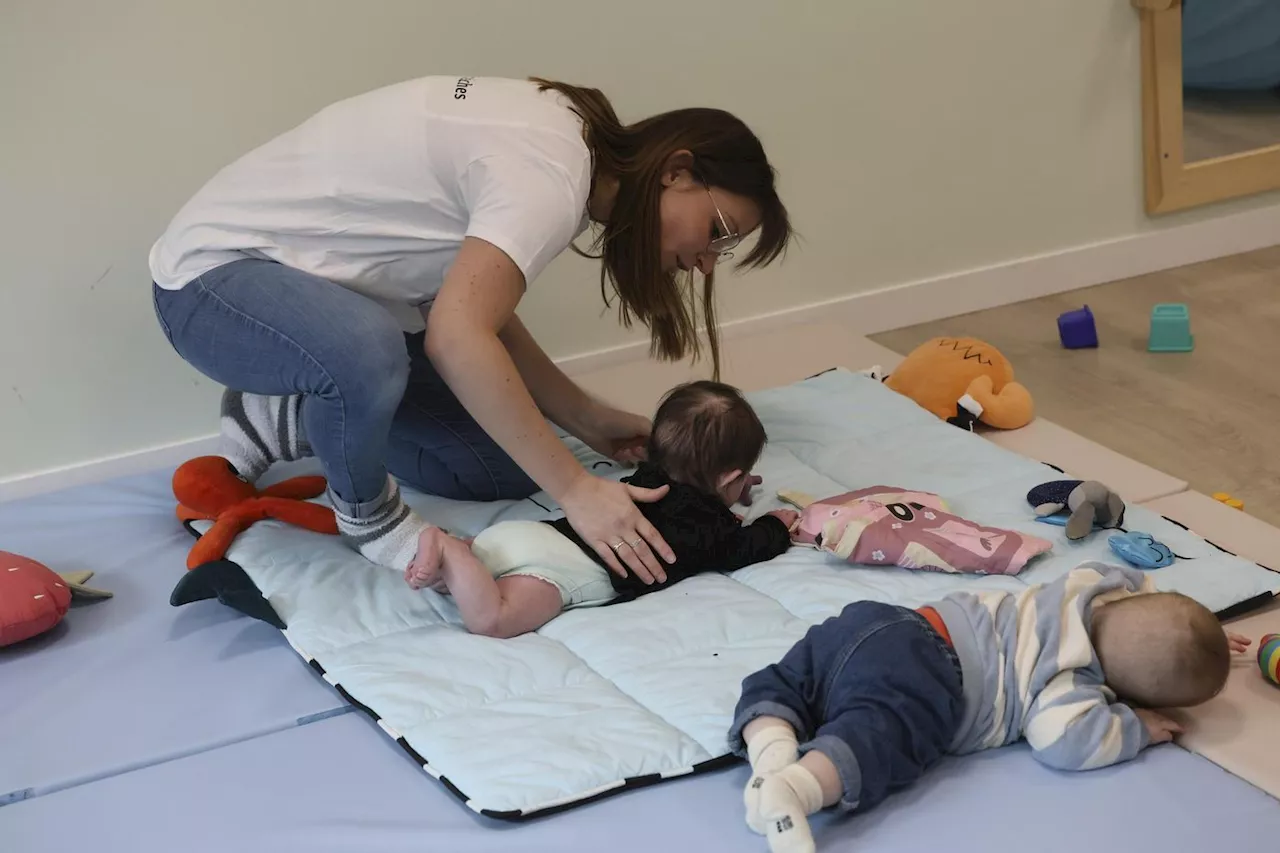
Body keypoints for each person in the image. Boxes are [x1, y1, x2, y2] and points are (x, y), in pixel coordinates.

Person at [149, 76, 793, 582]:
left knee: (503, 466)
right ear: (677, 170)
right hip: (215, 284)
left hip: (335, 296)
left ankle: (287, 414)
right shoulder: (550, 170)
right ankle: (366, 515)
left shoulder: (570, 155)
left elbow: (476, 307)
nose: (707, 261)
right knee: (367, 354)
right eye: (719, 233)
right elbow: (458, 336)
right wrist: (576, 492)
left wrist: (583, 418)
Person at [729, 563, 1252, 853]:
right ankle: (797, 786)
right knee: (880, 733)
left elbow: (1159, 611)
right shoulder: (1069, 681)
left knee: (793, 677)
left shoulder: (1096, 584)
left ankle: (770, 749)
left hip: (884, 621)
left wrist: (1197, 634)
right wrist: (1135, 726)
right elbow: (1064, 740)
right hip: (932, 672)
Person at [406, 381, 798, 638]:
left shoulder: (645, 479)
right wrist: (776, 525)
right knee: (493, 621)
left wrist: (728, 490)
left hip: (528, 537)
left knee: (465, 585)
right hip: (560, 570)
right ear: (729, 477)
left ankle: (456, 559)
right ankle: (449, 548)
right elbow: (741, 549)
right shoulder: (710, 528)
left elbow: (700, 490)